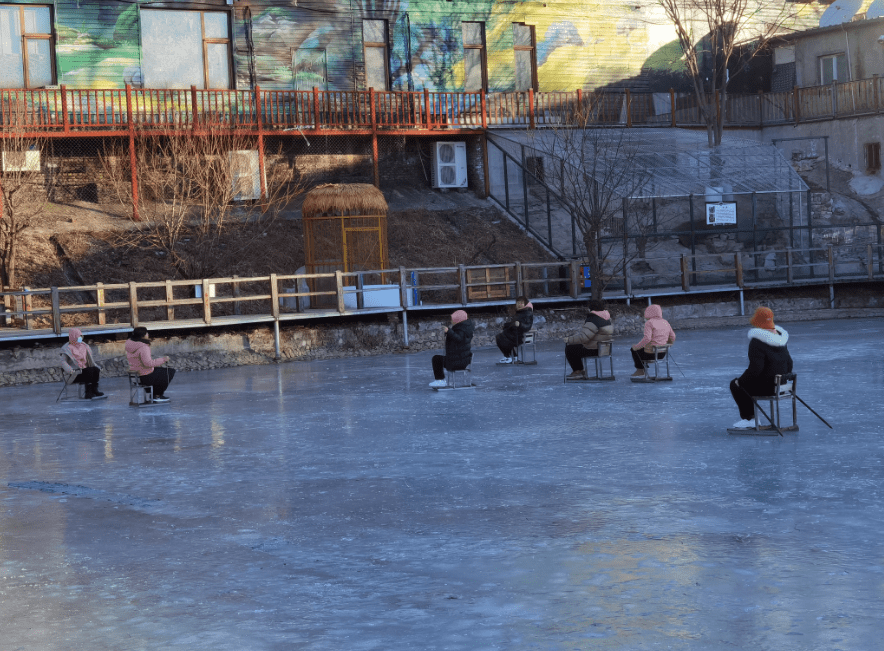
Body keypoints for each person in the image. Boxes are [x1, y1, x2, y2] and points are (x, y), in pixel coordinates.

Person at [729, 307, 793, 429]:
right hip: (782, 387)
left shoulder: (757, 341)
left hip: (768, 388)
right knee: (745, 383)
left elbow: (756, 369)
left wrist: (740, 381)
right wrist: (783, 379)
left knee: (736, 385)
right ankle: (751, 418)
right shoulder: (780, 338)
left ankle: (750, 419)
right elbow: (789, 363)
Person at [565, 299, 614, 379]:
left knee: (570, 348)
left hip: (594, 349)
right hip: (605, 349)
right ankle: (579, 371)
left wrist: (569, 339)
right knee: (576, 347)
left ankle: (578, 371)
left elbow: (584, 338)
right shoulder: (606, 319)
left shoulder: (593, 319)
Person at [125, 326, 175, 402]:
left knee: (161, 371)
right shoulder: (143, 347)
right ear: (143, 335)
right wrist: (163, 359)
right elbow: (148, 363)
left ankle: (155, 394)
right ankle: (157, 395)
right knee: (170, 372)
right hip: (145, 376)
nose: (148, 334)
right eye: (146, 333)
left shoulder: (131, 345)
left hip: (136, 375)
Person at [429, 310, 474, 389]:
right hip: (462, 359)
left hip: (457, 361)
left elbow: (459, 339)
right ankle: (440, 380)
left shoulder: (461, 330)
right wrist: (449, 332)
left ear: (458, 319)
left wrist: (449, 331)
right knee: (438, 358)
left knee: (436, 359)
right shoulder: (465, 328)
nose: (451, 321)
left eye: (452, 319)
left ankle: (440, 380)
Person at [630, 304, 676, 378]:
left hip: (651, 354)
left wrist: (637, 346)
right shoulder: (665, 322)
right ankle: (642, 368)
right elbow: (672, 336)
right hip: (662, 353)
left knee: (634, 350)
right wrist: (668, 344)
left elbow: (647, 338)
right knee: (640, 349)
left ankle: (640, 370)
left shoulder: (649, 323)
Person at [59, 328, 105, 399]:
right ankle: (88, 392)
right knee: (88, 371)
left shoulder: (84, 346)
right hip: (74, 373)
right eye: (78, 337)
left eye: (81, 336)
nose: (80, 338)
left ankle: (94, 390)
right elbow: (63, 361)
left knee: (95, 369)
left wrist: (97, 367)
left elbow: (90, 360)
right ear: (74, 337)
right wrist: (70, 370)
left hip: (85, 371)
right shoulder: (67, 348)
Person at [496, 296, 534, 364]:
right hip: (514, 334)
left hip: (520, 336)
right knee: (499, 337)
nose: (519, 305)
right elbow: (513, 323)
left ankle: (509, 356)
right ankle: (510, 356)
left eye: (521, 303)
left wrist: (520, 324)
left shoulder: (527, 313)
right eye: (518, 303)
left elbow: (528, 326)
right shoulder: (519, 312)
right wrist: (506, 325)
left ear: (525, 304)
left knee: (503, 338)